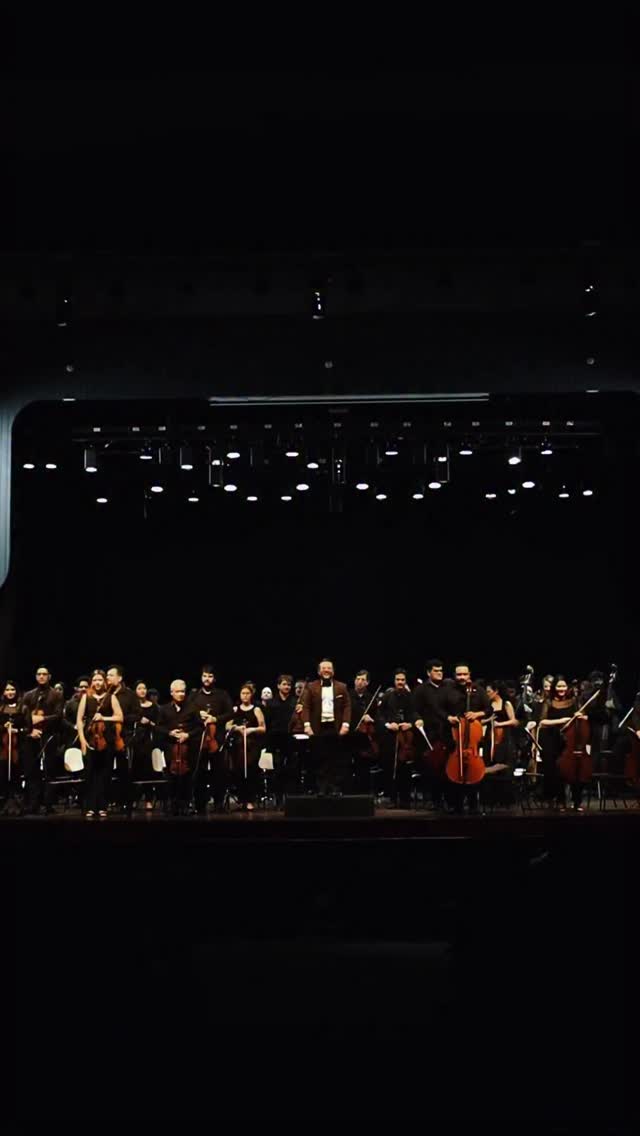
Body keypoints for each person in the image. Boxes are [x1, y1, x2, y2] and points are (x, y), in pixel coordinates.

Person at [441, 662, 491, 814]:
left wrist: (477, 714)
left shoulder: (479, 691)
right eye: (459, 674)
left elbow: (489, 709)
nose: (462, 677)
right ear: (455, 676)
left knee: (474, 774)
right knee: (453, 774)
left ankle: (474, 805)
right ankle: (455, 805)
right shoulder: (448, 691)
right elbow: (440, 710)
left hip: (472, 740)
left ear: (469, 675)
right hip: (454, 737)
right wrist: (448, 717)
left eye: (465, 674)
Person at [76, 670, 123, 819]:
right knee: (90, 774)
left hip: (106, 740)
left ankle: (103, 806)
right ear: (92, 682)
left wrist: (104, 717)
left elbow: (120, 717)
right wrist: (82, 740)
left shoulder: (111, 697)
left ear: (105, 682)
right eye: (95, 680)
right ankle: (90, 806)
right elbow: (79, 720)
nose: (97, 683)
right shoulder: (86, 697)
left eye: (100, 680)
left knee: (105, 774)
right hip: (90, 741)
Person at [187, 665, 234, 813]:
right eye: (205, 676)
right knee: (199, 773)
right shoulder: (194, 695)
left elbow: (230, 713)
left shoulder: (222, 695)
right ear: (201, 677)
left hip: (216, 740)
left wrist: (215, 718)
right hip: (198, 740)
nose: (207, 679)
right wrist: (198, 714)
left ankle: (218, 803)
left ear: (214, 678)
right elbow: (187, 712)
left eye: (210, 676)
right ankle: (199, 804)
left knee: (219, 773)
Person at [536, 676, 586, 810]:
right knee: (557, 771)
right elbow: (542, 722)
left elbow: (584, 717)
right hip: (553, 739)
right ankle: (560, 800)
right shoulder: (549, 702)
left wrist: (582, 717)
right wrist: (561, 720)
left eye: (563, 686)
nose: (561, 689)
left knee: (576, 770)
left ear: (567, 687)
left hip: (571, 741)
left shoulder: (575, 701)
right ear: (554, 688)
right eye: (558, 686)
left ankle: (577, 801)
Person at [302, 659, 351, 795]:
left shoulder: (342, 686)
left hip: (335, 727)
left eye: (329, 668)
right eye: (324, 668)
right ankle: (322, 788)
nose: (326, 670)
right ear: (319, 671)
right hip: (318, 728)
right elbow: (306, 707)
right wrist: (307, 725)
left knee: (336, 759)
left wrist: (346, 724)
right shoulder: (311, 687)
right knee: (320, 758)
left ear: (333, 671)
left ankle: (335, 787)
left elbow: (347, 706)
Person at [21, 666, 64, 814]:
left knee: (49, 770)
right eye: (39, 674)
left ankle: (49, 803)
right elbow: (24, 716)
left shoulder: (56, 695)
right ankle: (34, 803)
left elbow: (58, 716)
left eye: (44, 674)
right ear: (35, 676)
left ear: (49, 676)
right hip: (32, 736)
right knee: (32, 771)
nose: (41, 676)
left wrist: (42, 718)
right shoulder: (28, 695)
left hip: (49, 736)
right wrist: (30, 729)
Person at [157, 680, 201, 816]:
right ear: (171, 693)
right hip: (171, 747)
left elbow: (200, 727)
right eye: (178, 692)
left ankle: (186, 804)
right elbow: (158, 727)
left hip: (188, 747)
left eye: (183, 691)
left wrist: (187, 735)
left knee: (187, 777)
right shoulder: (164, 709)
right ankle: (172, 804)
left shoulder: (193, 707)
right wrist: (170, 733)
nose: (181, 694)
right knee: (171, 777)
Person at [377, 669, 415, 807]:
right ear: (394, 681)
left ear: (405, 681)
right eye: (398, 679)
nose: (400, 682)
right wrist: (388, 725)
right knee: (390, 768)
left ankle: (405, 799)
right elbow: (379, 715)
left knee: (405, 769)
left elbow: (414, 713)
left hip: (406, 736)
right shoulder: (387, 696)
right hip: (390, 737)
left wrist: (409, 724)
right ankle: (392, 799)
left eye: (402, 680)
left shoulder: (410, 696)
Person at [413, 659, 448, 808]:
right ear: (428, 672)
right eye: (436, 670)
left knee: (448, 768)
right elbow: (413, 710)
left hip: (447, 734)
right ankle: (436, 800)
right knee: (433, 769)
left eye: (441, 670)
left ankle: (450, 799)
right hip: (430, 735)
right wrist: (418, 719)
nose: (439, 673)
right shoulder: (420, 690)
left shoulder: (448, 687)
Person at [226, 683, 266, 810]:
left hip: (252, 745)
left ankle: (250, 800)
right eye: (243, 693)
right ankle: (242, 799)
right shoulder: (235, 709)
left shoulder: (256, 709)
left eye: (247, 693)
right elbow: (227, 725)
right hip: (238, 745)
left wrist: (251, 730)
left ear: (251, 695)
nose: (245, 696)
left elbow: (263, 728)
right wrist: (237, 728)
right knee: (238, 771)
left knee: (251, 769)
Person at [106, 665, 139, 813]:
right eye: (107, 675)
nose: (108, 678)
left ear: (119, 678)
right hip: (105, 737)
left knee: (124, 771)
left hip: (123, 736)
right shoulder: (105, 695)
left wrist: (120, 718)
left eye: (111, 675)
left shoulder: (130, 695)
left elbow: (136, 715)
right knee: (106, 771)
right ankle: (108, 802)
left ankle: (126, 803)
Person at [265, 674, 297, 800]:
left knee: (291, 769)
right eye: (284, 684)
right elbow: (267, 722)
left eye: (289, 685)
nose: (287, 687)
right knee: (277, 769)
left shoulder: (295, 701)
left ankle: (290, 798)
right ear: (278, 686)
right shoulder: (271, 703)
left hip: (290, 739)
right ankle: (278, 798)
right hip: (275, 739)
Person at [130, 680, 161, 810]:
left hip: (149, 740)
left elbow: (158, 725)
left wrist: (149, 722)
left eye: (144, 688)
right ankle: (134, 799)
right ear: (135, 691)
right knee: (135, 770)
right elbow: (128, 718)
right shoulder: (132, 706)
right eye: (139, 688)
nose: (142, 691)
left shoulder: (153, 707)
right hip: (135, 741)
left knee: (148, 770)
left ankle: (149, 799)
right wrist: (138, 720)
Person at [349, 669, 378, 794]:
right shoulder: (348, 696)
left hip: (365, 737)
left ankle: (363, 794)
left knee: (364, 767)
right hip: (349, 735)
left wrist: (371, 719)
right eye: (358, 679)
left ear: (367, 682)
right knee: (348, 767)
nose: (360, 682)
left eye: (363, 680)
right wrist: (361, 715)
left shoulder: (372, 698)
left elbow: (376, 716)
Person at [0, 680, 25, 814]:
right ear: (4, 692)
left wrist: (18, 731)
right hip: (3, 747)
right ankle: (4, 803)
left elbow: (28, 727)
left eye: (13, 689)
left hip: (18, 746)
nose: (10, 692)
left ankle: (17, 805)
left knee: (17, 774)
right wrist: (3, 727)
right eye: (7, 690)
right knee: (3, 774)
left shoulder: (23, 707)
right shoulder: (0, 707)